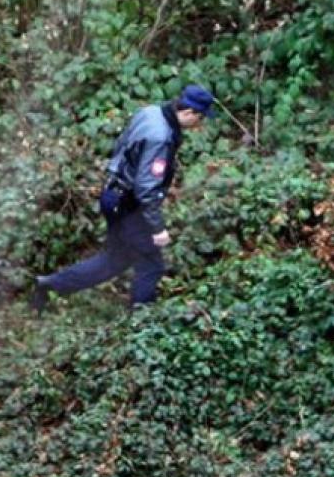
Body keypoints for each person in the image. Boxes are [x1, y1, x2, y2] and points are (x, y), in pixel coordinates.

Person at [30, 84, 215, 311]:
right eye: (201, 118)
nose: (201, 124)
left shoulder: (150, 112)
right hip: (129, 205)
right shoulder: (161, 137)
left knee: (115, 260)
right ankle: (141, 325)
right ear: (188, 113)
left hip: (113, 194)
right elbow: (146, 188)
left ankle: (50, 285)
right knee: (151, 265)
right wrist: (157, 228)